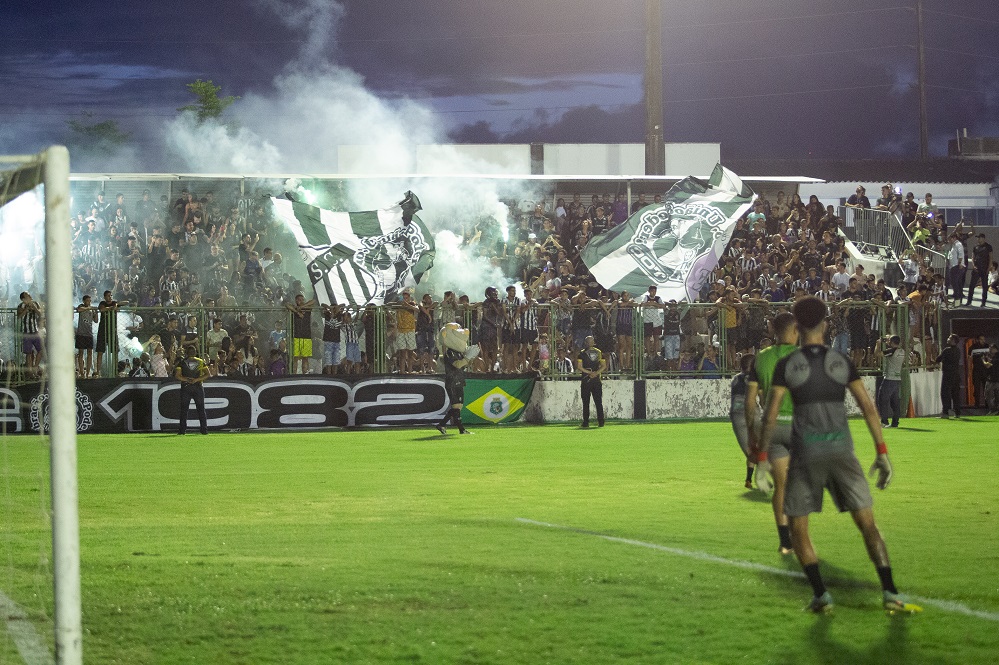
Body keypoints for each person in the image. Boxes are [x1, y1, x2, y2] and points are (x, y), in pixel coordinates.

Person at [755, 296, 921, 614]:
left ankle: (821, 595)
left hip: (806, 453)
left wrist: (762, 459)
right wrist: (882, 452)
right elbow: (868, 407)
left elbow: (771, 415)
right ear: (825, 324)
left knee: (798, 528)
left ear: (797, 326)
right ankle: (890, 592)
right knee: (868, 525)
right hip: (842, 451)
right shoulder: (841, 361)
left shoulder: (787, 365)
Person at [745, 312, 799, 555]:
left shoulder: (762, 358)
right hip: (799, 427)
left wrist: (751, 433)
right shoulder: (802, 356)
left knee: (781, 486)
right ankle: (801, 537)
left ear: (773, 331)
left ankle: (785, 541)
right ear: (795, 330)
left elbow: (750, 402)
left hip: (772, 428)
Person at [436, 323, 476, 435]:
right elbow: (457, 364)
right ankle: (461, 430)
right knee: (456, 406)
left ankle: (442, 425)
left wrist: (471, 357)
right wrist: (467, 358)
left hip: (459, 380)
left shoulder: (458, 352)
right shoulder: (449, 352)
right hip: (452, 381)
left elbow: (465, 364)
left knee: (458, 406)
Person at [730, 354, 757, 489]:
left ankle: (748, 480)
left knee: (750, 450)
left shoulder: (735, 379)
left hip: (736, 414)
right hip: (752, 412)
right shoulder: (755, 378)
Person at [174, 346, 209, 435]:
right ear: (195, 352)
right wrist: (196, 379)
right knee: (201, 409)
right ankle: (204, 430)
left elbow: (177, 375)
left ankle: (182, 430)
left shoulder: (182, 362)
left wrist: (187, 379)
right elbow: (208, 374)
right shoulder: (201, 362)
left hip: (186, 387)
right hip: (198, 387)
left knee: (184, 410)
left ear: (186, 353)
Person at [576, 335, 606, 428]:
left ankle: (586, 422)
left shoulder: (582, 353)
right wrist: (596, 373)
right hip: (596, 380)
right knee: (598, 402)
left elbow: (579, 367)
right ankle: (601, 422)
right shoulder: (599, 352)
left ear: (585, 343)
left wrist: (589, 372)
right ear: (593, 343)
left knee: (586, 402)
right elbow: (604, 366)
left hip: (586, 379)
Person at [876, 335, 905, 428]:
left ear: (892, 342)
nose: (887, 342)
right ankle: (895, 422)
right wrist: (888, 341)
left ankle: (884, 422)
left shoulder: (891, 351)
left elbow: (877, 354)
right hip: (897, 379)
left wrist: (878, 344)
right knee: (895, 402)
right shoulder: (902, 351)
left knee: (882, 400)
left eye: (889, 341)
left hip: (889, 379)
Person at [17, 291, 44, 379]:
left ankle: (35, 368)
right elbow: (19, 316)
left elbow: (40, 314)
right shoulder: (21, 306)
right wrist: (26, 309)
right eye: (28, 295)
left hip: (35, 331)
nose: (30, 296)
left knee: (41, 350)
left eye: (29, 295)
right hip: (26, 333)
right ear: (23, 299)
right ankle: (30, 373)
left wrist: (34, 308)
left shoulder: (35, 303)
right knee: (28, 353)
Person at [287, 293, 315, 374]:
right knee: (295, 357)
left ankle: (305, 374)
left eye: (302, 300)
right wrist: (297, 312)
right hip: (296, 336)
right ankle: (294, 374)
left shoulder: (307, 309)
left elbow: (313, 301)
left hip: (307, 337)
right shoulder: (294, 309)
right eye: (299, 300)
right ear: (296, 301)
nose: (301, 301)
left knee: (305, 358)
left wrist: (302, 307)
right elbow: (287, 304)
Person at [936, 334, 962, 418]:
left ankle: (945, 412)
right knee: (955, 394)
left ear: (953, 340)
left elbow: (938, 359)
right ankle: (957, 412)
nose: (948, 339)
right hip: (956, 374)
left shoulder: (947, 350)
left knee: (945, 393)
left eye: (950, 338)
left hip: (947, 374)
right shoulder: (958, 351)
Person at [966, 234, 993, 307]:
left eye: (979, 238)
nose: (978, 239)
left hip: (984, 268)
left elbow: (990, 257)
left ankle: (983, 302)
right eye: (977, 238)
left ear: (983, 238)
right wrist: (974, 265)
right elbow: (973, 257)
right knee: (972, 285)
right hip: (976, 268)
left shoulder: (988, 247)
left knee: (984, 286)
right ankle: (969, 301)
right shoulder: (976, 246)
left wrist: (988, 268)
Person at [75, 294, 97, 378]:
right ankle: (81, 372)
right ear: (84, 301)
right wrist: (89, 308)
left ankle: (88, 372)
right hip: (81, 333)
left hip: (89, 334)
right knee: (81, 352)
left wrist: (95, 312)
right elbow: (79, 310)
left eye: (90, 301)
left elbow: (96, 320)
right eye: (87, 300)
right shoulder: (81, 306)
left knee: (90, 352)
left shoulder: (92, 309)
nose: (89, 302)